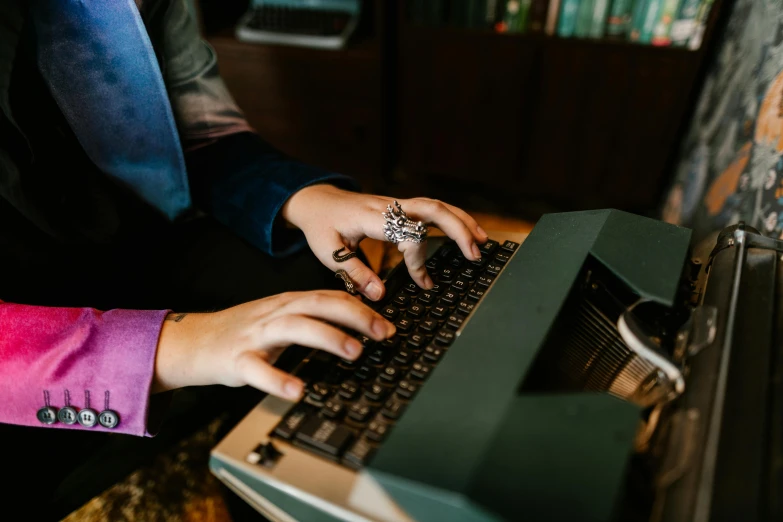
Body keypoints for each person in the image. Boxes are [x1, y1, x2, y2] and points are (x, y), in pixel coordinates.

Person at [0, 0, 489, 517]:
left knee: (308, 278)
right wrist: (180, 342)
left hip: (128, 230)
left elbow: (200, 130)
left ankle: (274, 483)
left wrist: (306, 199)